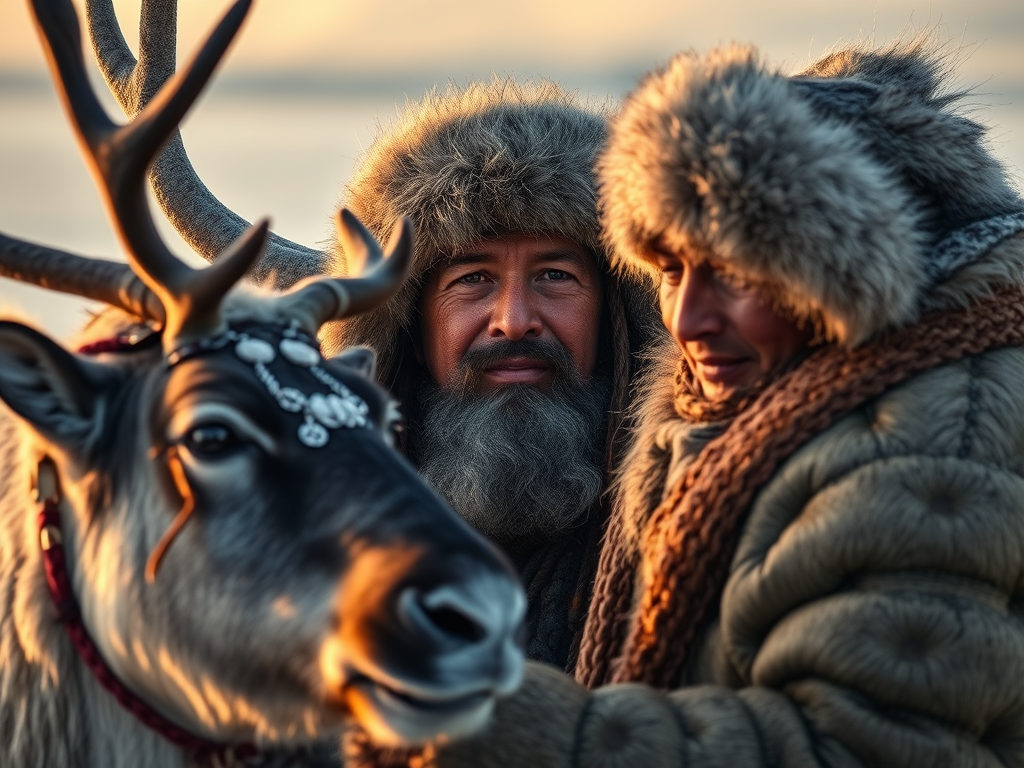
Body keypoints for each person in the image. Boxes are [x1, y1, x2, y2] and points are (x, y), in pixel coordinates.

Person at [387, 39, 1024, 768]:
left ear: (843, 271)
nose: (686, 322)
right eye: (670, 269)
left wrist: (468, 713)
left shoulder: (929, 443)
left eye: (735, 272)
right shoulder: (749, 420)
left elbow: (860, 746)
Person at [326, 78, 656, 671]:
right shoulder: (308, 545)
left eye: (555, 275)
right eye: (471, 278)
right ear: (410, 329)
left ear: (614, 319)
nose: (515, 321)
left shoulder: (692, 528)